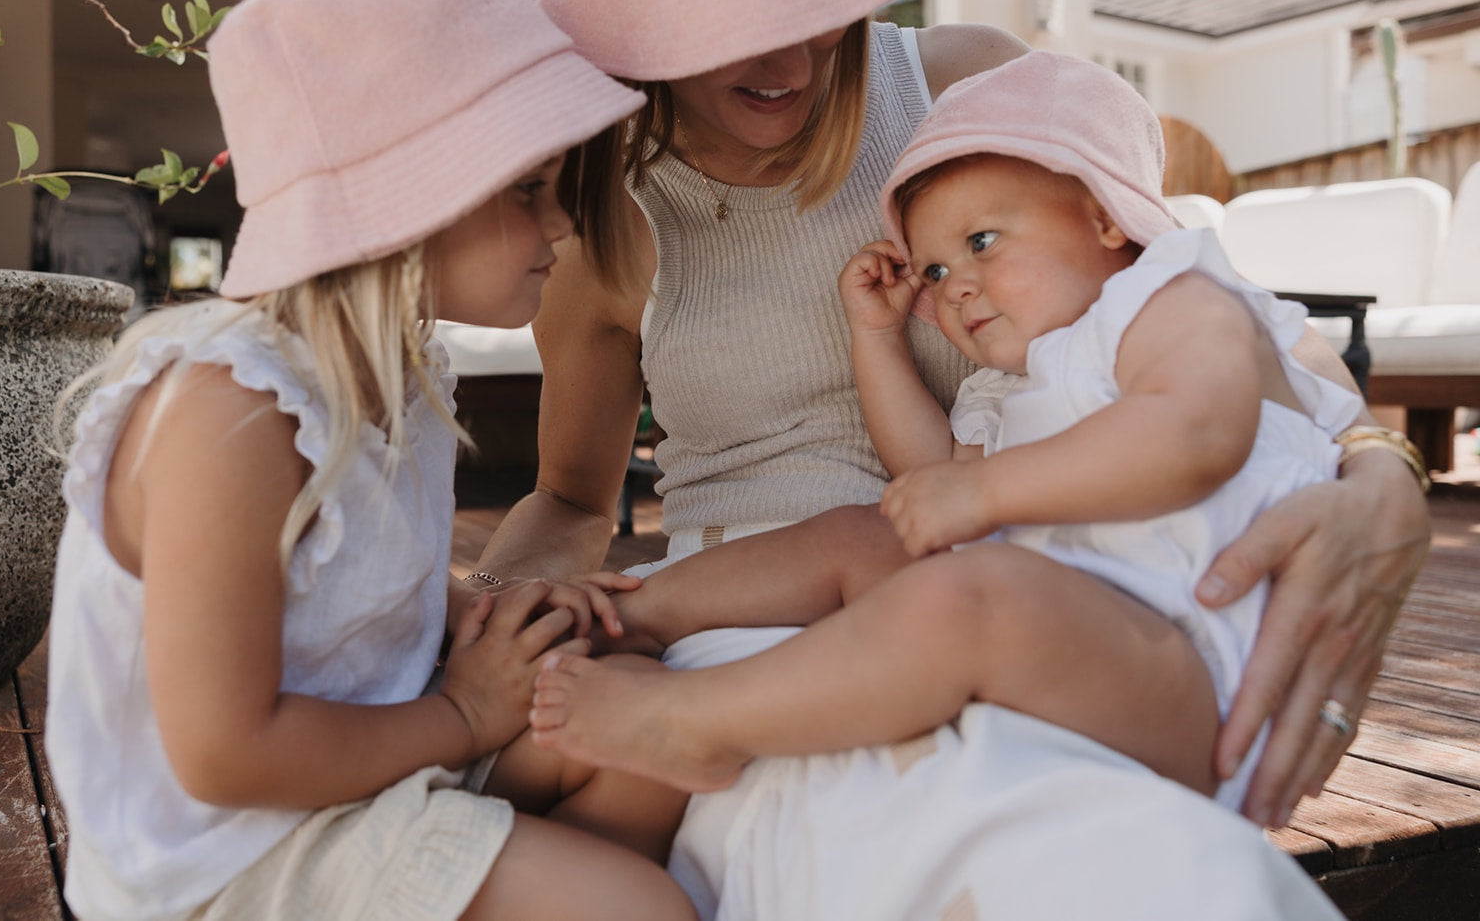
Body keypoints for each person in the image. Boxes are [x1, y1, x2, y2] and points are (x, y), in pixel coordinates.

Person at [478, 0, 1430, 841]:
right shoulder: (604, 214)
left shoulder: (966, 86)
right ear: (640, 19)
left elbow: (1198, 302)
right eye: (735, 21)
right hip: (739, 620)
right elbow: (572, 499)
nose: (798, 64)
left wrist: (1378, 468)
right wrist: (486, 621)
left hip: (1010, 602)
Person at [527, 51, 1373, 827]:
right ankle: (631, 611)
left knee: (967, 602)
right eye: (933, 271)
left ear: (1103, 215)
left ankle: (694, 723)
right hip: (1072, 631)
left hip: (1194, 670)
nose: (956, 287)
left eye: (981, 244)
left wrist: (989, 492)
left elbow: (1195, 435)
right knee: (865, 535)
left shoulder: (1173, 298)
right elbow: (929, 477)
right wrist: (877, 339)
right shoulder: (1018, 381)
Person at [42, 0, 697, 921]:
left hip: (358, 772)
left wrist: (474, 617)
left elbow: (339, 585)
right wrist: (466, 709)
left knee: (651, 728)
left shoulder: (395, 373)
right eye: (527, 188)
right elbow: (225, 752)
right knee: (641, 907)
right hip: (227, 858)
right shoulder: (230, 416)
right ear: (401, 209)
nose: (564, 223)